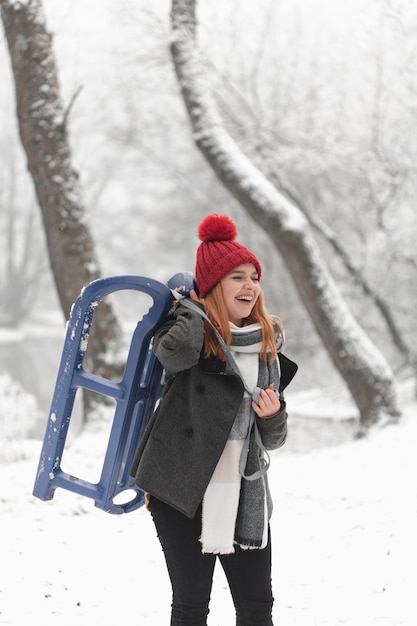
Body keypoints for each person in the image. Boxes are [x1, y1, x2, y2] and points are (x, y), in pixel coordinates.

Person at [131, 213, 297, 626]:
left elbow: (273, 438)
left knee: (257, 607)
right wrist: (193, 308)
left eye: (253, 277)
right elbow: (174, 356)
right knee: (191, 607)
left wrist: (273, 416)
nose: (249, 286)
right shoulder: (187, 332)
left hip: (245, 490)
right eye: (236, 277)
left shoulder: (266, 344)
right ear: (214, 285)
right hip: (179, 486)